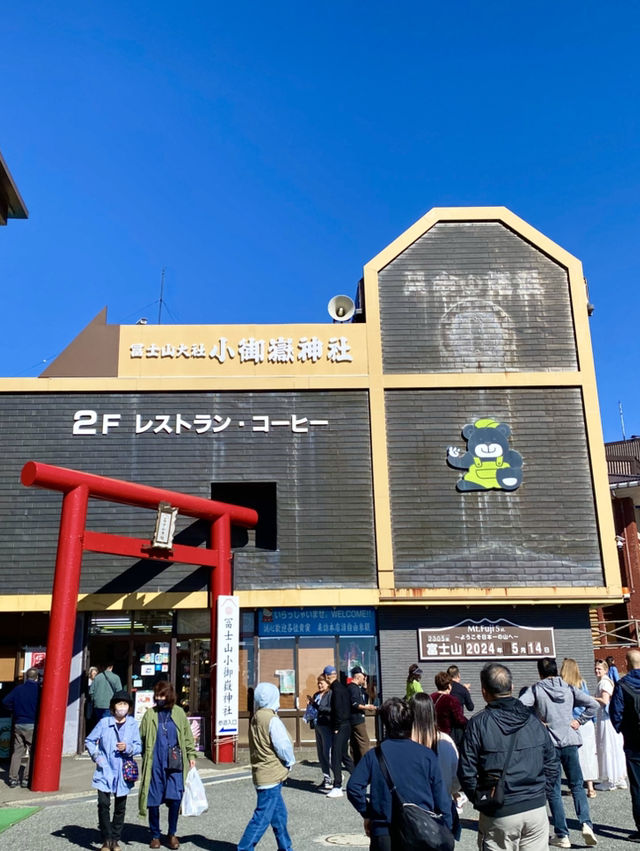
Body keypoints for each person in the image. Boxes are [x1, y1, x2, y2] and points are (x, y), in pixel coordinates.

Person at [459, 662, 558, 851]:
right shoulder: (533, 720)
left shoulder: (478, 724)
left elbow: (466, 771)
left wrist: (481, 800)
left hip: (499, 809)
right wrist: (541, 793)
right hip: (535, 809)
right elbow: (552, 763)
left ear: (484, 691)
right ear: (511, 688)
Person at [347, 697, 452, 850]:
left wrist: (368, 813)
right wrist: (446, 828)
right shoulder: (426, 755)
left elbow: (353, 788)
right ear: (411, 722)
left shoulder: (374, 755)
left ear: (385, 724)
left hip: (384, 830)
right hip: (422, 829)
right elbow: (442, 798)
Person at [520, 657, 599, 847]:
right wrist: (579, 721)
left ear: (540, 672)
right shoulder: (568, 687)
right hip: (571, 740)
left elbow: (519, 707)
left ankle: (562, 834)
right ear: (556, 670)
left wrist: (537, 721)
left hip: (550, 743)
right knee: (577, 785)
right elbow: (594, 705)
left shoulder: (537, 689)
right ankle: (586, 824)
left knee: (553, 789)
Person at [138, 681, 196, 850]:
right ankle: (155, 835)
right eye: (157, 695)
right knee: (153, 800)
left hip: (175, 762)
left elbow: (187, 736)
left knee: (176, 798)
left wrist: (191, 755)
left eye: (162, 695)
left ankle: (172, 833)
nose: (159, 698)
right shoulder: (150, 714)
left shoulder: (178, 713)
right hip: (155, 762)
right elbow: (142, 737)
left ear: (169, 696)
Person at [237, 682, 295, 851]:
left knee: (279, 816)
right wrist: (290, 762)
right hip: (271, 774)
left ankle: (286, 847)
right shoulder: (271, 719)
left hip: (261, 772)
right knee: (261, 818)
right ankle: (244, 848)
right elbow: (283, 745)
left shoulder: (256, 716)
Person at [85, 690, 142, 851]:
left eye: (125, 704)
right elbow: (89, 740)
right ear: (113, 706)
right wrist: (97, 756)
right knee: (103, 804)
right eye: (119, 704)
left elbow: (139, 746)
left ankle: (115, 839)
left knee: (120, 806)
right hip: (105, 770)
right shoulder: (104, 723)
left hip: (123, 771)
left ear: (129, 707)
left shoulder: (132, 724)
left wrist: (128, 748)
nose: (122, 707)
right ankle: (107, 838)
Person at [410, 692, 461, 836]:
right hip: (441, 808)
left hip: (412, 811)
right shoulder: (445, 741)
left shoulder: (405, 744)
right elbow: (456, 778)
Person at [610, 648, 640, 842]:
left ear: (626, 664)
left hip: (635, 744)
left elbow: (616, 716)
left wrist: (626, 730)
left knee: (638, 787)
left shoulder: (622, 685)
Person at [560, 658, 598, 798]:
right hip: (585, 723)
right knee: (589, 755)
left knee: (575, 757)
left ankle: (576, 785)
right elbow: (590, 703)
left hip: (572, 724)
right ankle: (590, 787)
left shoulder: (563, 686)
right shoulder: (583, 683)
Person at [1, 667, 40, 788]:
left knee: (17, 752)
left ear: (26, 677)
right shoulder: (39, 690)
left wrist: (14, 710)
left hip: (19, 723)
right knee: (33, 751)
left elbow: (5, 701)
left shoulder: (18, 689)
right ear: (37, 678)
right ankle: (26, 778)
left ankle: (13, 779)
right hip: (32, 723)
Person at [594, 658, 627, 790]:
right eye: (596, 668)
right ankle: (619, 778)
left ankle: (610, 780)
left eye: (599, 668)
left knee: (607, 745)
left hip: (606, 719)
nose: (597, 670)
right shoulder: (608, 682)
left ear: (606, 670)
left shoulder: (604, 683)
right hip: (610, 718)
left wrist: (591, 698)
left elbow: (605, 700)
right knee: (615, 746)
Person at [324, 665, 354, 797]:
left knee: (335, 755)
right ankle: (359, 778)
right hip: (348, 724)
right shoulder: (343, 688)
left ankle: (337, 785)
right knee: (343, 755)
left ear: (326, 676)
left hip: (340, 726)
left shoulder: (335, 690)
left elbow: (337, 709)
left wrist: (335, 727)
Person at [348, 666, 375, 765]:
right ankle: (366, 763)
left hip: (353, 719)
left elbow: (363, 696)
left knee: (354, 742)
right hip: (357, 719)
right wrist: (367, 707)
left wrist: (365, 684)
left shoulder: (353, 688)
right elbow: (355, 704)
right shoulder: (353, 688)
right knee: (364, 742)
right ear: (358, 677)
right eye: (363, 678)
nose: (364, 679)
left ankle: (355, 763)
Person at [310, 673, 332, 790]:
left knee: (327, 753)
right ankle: (327, 779)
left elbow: (331, 710)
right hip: (317, 725)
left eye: (321, 683)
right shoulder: (316, 695)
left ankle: (337, 774)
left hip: (326, 725)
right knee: (320, 754)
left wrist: (317, 706)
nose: (319, 685)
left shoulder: (330, 695)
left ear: (327, 683)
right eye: (318, 683)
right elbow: (314, 708)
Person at [430, 671, 467, 738]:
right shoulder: (451, 700)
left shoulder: (430, 697)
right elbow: (459, 719)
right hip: (446, 735)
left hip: (432, 733)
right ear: (449, 686)